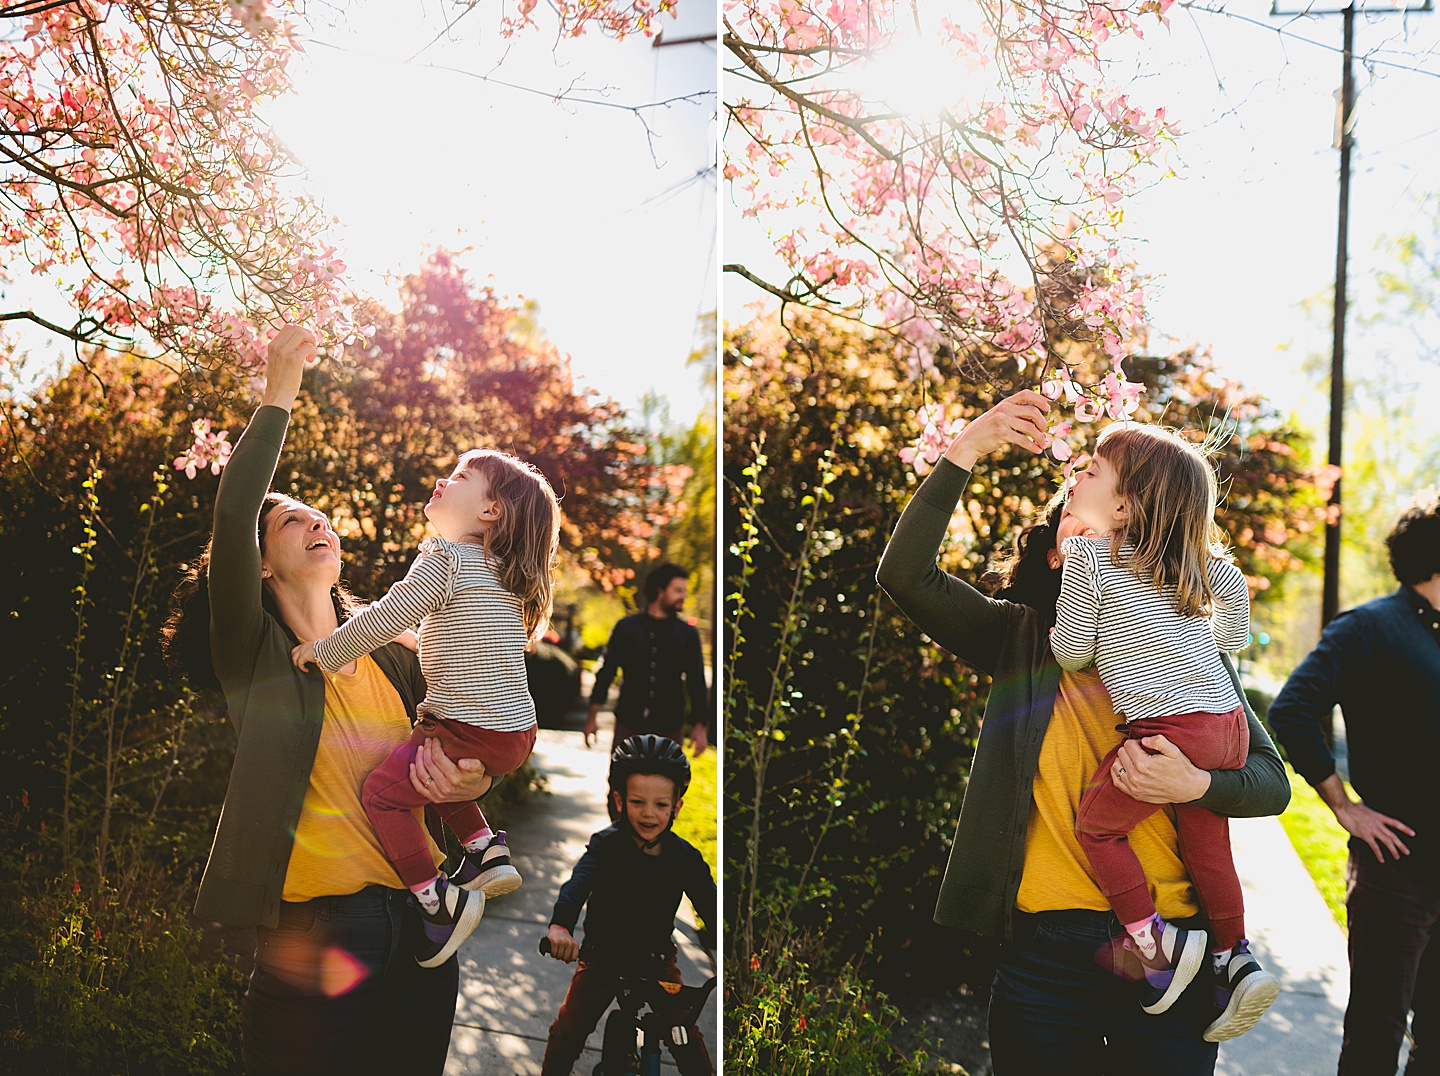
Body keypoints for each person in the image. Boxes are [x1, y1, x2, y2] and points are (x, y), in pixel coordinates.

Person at [876, 390, 1290, 1075]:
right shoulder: (1017, 641)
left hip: (1174, 960)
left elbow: (1272, 784)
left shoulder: (1189, 646)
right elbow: (904, 575)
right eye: (1072, 524)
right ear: (1053, 560)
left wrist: (1198, 783)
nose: (1091, 536)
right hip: (1046, 956)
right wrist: (967, 447)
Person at [160, 325, 492, 1075]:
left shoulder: (393, 650)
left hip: (423, 927)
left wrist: (472, 779)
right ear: (262, 567)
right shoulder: (252, 656)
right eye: (289, 520)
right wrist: (278, 396)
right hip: (312, 938)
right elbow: (230, 515)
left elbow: (458, 750)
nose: (315, 521)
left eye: (317, 513)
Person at [1051, 423, 1279, 1038]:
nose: (1076, 476)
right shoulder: (1218, 573)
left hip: (1166, 728)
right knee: (1207, 847)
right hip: (1223, 727)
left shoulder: (1091, 558)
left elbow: (1073, 652)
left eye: (1091, 472)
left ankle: (1154, 945)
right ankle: (1236, 957)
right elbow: (1229, 645)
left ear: (1123, 505)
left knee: (1097, 827)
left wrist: (1077, 599)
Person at [292, 444, 561, 966]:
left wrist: (323, 653)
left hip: (464, 726)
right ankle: (485, 849)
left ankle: (436, 902)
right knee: (426, 763)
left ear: (491, 511)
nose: (444, 480)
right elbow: (457, 636)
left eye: (460, 476)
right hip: (514, 732)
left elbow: (384, 621)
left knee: (385, 794)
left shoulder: (445, 558)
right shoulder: (500, 571)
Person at [1268, 490, 1440, 1075]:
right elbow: (1292, 709)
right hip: (1396, 867)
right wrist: (1344, 806)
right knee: (1376, 1033)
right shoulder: (1369, 627)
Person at [539, 735, 716, 1076]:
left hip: (657, 961)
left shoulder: (685, 859)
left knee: (684, 1036)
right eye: (638, 802)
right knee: (567, 1032)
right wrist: (561, 926)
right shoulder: (605, 846)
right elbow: (577, 886)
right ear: (620, 801)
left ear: (677, 807)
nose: (649, 813)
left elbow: (712, 906)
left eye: (661, 805)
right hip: (602, 958)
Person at [586, 562, 710, 758]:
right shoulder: (626, 628)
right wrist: (592, 718)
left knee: (668, 786)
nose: (683, 596)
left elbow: (696, 681)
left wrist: (700, 727)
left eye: (684, 591)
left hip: (669, 726)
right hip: (628, 723)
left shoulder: (687, 634)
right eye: (678, 590)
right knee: (620, 784)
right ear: (660, 591)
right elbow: (607, 671)